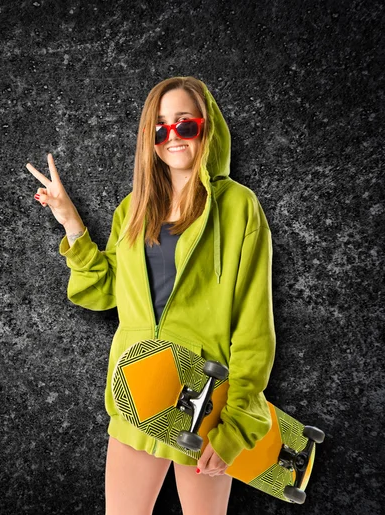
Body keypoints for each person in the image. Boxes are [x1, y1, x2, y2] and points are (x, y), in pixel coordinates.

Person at [25, 76, 276, 515]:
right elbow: (106, 292)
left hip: (204, 400)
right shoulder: (134, 207)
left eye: (185, 124)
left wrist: (235, 426)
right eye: (160, 128)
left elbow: (254, 324)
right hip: (138, 394)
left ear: (207, 128)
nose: (172, 136)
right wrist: (70, 223)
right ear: (150, 140)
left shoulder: (239, 207)